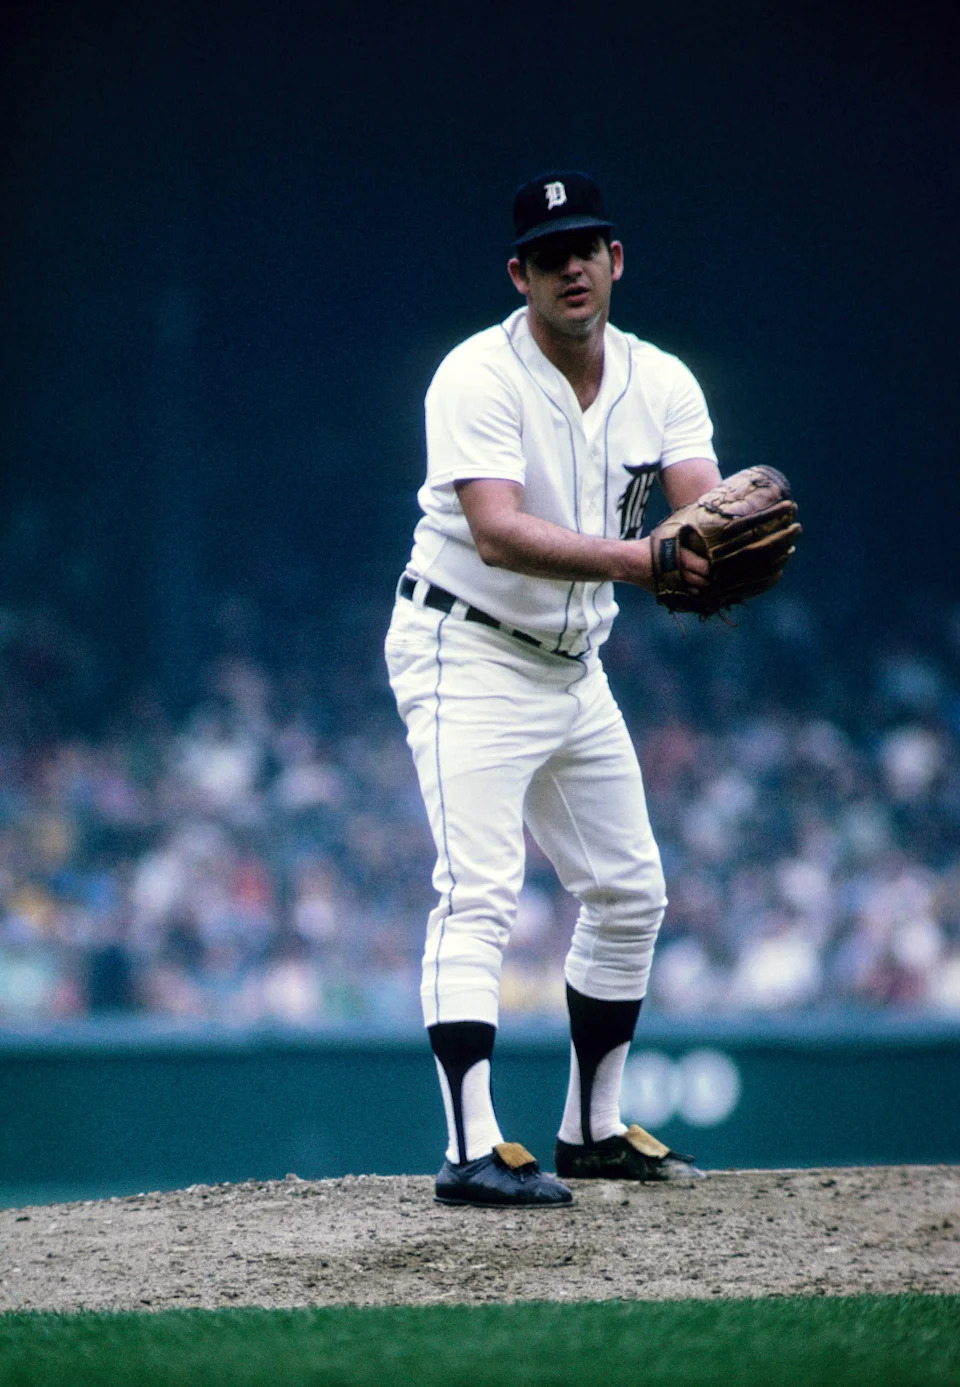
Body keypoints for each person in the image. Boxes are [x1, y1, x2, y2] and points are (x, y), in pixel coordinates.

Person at [385, 171, 721, 1207]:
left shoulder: (662, 380)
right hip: (466, 645)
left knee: (630, 892)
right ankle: (469, 1148)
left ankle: (592, 1127)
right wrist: (650, 561)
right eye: (548, 254)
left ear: (616, 261)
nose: (571, 267)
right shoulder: (475, 374)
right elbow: (496, 530)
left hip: (572, 665)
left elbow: (703, 510)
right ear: (519, 275)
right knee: (479, 890)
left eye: (587, 248)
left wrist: (719, 544)